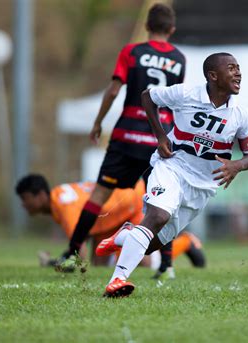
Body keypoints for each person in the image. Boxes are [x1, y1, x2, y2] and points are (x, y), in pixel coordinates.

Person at [99, 52, 248, 297]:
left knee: (153, 243)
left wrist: (236, 166)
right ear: (213, 76)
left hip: (203, 186)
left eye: (238, 68)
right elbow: (147, 97)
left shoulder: (241, 114)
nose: (238, 73)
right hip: (172, 168)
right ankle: (117, 280)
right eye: (232, 68)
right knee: (159, 215)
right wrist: (161, 135)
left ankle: (126, 235)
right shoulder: (185, 94)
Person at [59, 4, 186, 276]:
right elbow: (176, 102)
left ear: (147, 28)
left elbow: (114, 89)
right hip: (158, 139)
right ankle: (166, 265)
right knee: (162, 202)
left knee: (100, 194)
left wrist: (97, 122)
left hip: (126, 135)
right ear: (172, 30)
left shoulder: (132, 52)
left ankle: (71, 254)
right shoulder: (179, 58)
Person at [15, 174, 206, 270]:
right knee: (99, 263)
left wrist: (56, 264)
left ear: (40, 195)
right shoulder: (59, 196)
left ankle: (186, 242)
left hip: (129, 201)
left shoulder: (63, 206)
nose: (23, 205)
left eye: (25, 199)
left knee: (143, 260)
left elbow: (79, 256)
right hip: (110, 212)